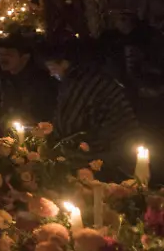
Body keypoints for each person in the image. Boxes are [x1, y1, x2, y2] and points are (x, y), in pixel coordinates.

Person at [44, 39, 140, 168]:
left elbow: (69, 124)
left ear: (65, 63)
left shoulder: (80, 84)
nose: (51, 74)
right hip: (118, 143)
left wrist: (50, 139)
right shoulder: (93, 77)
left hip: (109, 149)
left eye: (52, 68)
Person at [0, 35, 56, 129]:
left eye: (9, 55)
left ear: (25, 57)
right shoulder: (3, 77)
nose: (2, 59)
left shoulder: (41, 80)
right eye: (0, 54)